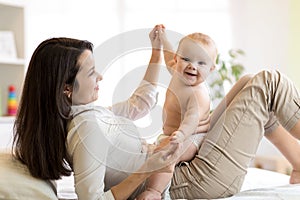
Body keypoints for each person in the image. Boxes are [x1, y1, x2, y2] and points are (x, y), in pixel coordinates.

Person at [8, 23, 300, 200]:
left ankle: (298, 166)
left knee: (250, 85)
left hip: (179, 166)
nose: (101, 78)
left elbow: (141, 103)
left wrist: (156, 50)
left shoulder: (91, 114)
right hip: (187, 183)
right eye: (92, 73)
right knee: (268, 83)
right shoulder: (86, 132)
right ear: (66, 88)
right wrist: (148, 168)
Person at [139, 27, 218, 198]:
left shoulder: (199, 95)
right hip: (171, 134)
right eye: (186, 59)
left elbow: (192, 120)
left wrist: (181, 135)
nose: (192, 66)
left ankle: (154, 191)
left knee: (169, 154)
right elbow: (168, 54)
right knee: (151, 152)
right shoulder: (177, 71)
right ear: (177, 59)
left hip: (193, 137)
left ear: (211, 68)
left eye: (201, 63)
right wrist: (163, 39)